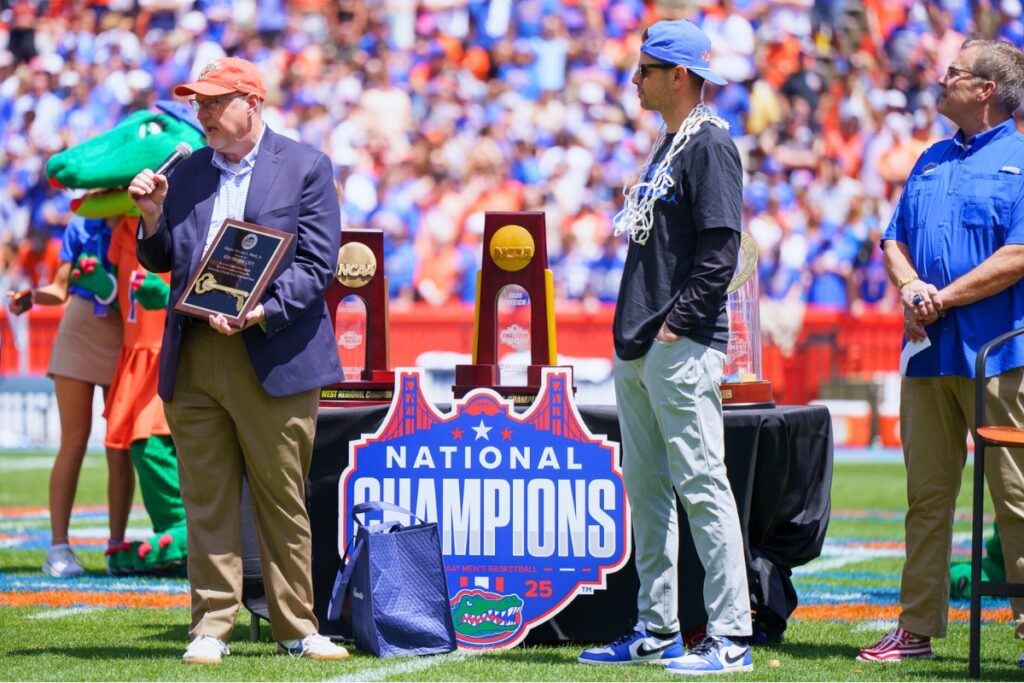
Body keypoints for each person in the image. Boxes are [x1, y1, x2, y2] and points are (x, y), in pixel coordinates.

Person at [127, 57, 346, 664]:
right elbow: (165, 258)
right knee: (207, 498)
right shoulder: (188, 169)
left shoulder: (306, 165)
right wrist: (150, 216)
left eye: (214, 102)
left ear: (253, 101)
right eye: (197, 103)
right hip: (196, 351)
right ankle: (210, 626)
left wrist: (261, 311)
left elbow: (318, 265)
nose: (202, 114)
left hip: (271, 352)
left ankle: (297, 628)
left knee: (281, 498)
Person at [577, 20, 753, 675]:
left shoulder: (709, 144)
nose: (635, 79)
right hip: (643, 342)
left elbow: (721, 251)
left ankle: (731, 634)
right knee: (648, 491)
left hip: (677, 343)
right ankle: (657, 627)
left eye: (646, 69)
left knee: (703, 485)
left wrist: (677, 326)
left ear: (678, 75)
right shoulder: (671, 144)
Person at [859, 38, 1024, 662]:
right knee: (926, 498)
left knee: (1016, 496)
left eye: (952, 72)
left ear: (985, 90)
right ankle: (917, 630)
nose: (940, 79)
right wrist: (909, 286)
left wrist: (941, 297)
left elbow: (1018, 255)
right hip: (929, 354)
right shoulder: (928, 158)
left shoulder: (1022, 160)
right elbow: (893, 238)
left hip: (1001, 358)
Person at [6, 216, 132, 578]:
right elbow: (61, 288)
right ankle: (58, 548)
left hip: (125, 333)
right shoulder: (81, 225)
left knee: (118, 444)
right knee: (73, 441)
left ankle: (117, 547)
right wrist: (32, 297)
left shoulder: (141, 219)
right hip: (78, 330)